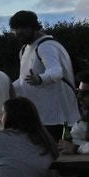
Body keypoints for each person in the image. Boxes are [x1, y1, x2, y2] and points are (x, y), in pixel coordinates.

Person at [10, 10, 78, 138]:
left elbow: (56, 72)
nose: (18, 35)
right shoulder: (25, 49)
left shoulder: (46, 46)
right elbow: (22, 81)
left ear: (33, 27)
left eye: (22, 31)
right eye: (15, 31)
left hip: (57, 118)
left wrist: (40, 79)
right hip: (41, 116)